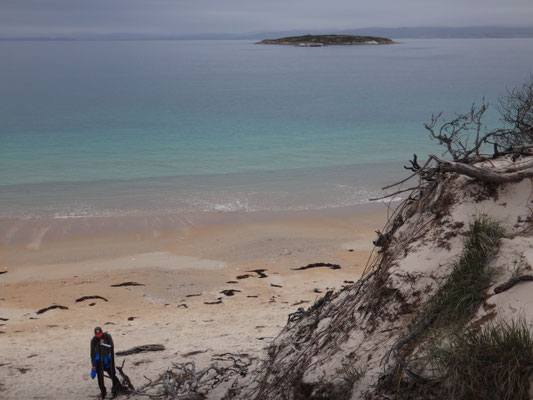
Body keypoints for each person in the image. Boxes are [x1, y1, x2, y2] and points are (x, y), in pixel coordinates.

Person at [90, 327, 121, 398]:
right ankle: (103, 391)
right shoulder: (93, 340)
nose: (99, 336)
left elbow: (111, 347)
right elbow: (92, 353)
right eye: (97, 335)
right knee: (100, 377)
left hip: (107, 358)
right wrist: (93, 364)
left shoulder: (107, 336)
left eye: (100, 334)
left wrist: (104, 343)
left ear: (102, 332)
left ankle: (117, 387)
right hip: (98, 359)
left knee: (112, 374)